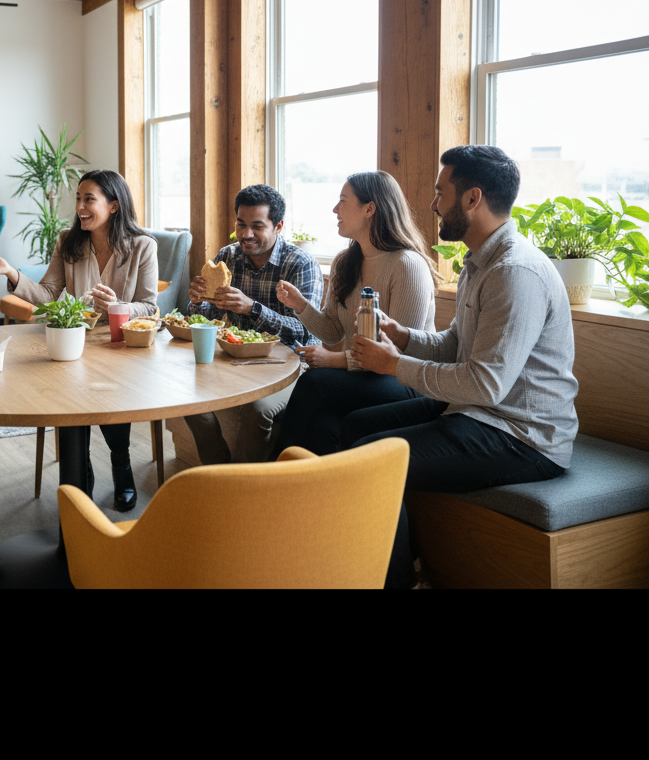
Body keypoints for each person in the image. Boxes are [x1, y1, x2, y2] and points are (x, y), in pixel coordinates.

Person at [345, 146, 578, 589]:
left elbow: (485, 384)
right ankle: (392, 556)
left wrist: (396, 365)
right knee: (355, 426)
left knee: (373, 459)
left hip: (523, 436)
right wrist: (405, 337)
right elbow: (456, 345)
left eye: (440, 193)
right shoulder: (478, 260)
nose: (433, 204)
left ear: (472, 199)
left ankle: (393, 581)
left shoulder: (514, 272)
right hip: (478, 412)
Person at [0, 168, 157, 512]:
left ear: (114, 206)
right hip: (76, 340)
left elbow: (150, 306)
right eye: (78, 198)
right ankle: (80, 470)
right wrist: (11, 273)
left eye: (89, 199)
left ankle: (121, 466)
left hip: (120, 344)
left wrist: (118, 306)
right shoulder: (68, 240)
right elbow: (48, 293)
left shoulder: (142, 246)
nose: (80, 206)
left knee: (110, 394)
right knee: (73, 397)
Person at [273, 171, 440, 456]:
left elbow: (398, 351)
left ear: (369, 209)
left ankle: (268, 477)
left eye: (342, 201)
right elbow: (332, 331)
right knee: (325, 425)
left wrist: (337, 360)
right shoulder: (343, 262)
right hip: (364, 378)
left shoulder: (407, 265)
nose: (335, 209)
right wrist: (300, 305)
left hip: (405, 380)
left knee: (313, 383)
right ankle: (313, 494)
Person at [183, 184, 323, 465]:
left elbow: (309, 332)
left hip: (291, 362)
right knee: (186, 397)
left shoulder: (300, 263)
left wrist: (253, 308)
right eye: (241, 224)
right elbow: (208, 315)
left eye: (257, 226)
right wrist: (198, 301)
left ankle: (246, 483)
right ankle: (219, 472)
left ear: (278, 226)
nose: (246, 234)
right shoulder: (227, 257)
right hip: (235, 355)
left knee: (257, 408)